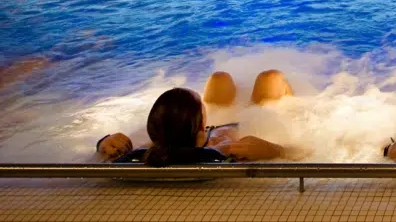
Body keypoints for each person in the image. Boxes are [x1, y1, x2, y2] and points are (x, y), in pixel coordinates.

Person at [95, 69, 294, 163]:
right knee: (271, 78)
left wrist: (104, 143)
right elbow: (305, 153)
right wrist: (276, 150)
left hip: (209, 126)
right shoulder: (224, 150)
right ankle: (291, 99)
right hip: (247, 121)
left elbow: (112, 157)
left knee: (219, 78)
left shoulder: (152, 148)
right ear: (201, 125)